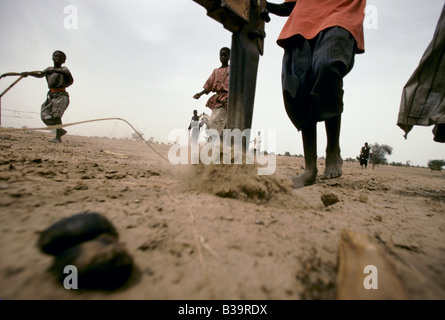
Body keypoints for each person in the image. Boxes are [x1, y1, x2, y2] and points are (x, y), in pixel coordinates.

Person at [266, 1, 366, 188]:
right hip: (300, 26)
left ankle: (333, 148)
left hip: (340, 16)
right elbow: (288, 6)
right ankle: (310, 168)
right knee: (297, 87)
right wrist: (264, 4)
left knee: (327, 65)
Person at [22, 50, 74, 143]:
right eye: (56, 56)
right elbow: (40, 75)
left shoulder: (64, 69)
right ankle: (60, 130)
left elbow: (69, 78)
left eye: (61, 57)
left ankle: (58, 137)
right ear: (52, 57)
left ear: (64, 61)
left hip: (61, 95)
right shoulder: (48, 69)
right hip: (51, 96)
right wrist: (29, 73)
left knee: (57, 116)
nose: (58, 58)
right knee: (44, 114)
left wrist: (53, 70)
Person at [193, 47, 230, 139]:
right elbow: (209, 85)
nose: (223, 57)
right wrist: (200, 94)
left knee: (216, 121)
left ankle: (215, 141)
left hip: (227, 99)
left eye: (225, 55)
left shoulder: (232, 70)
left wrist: (229, 97)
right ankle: (215, 142)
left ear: (229, 57)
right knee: (213, 121)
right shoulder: (215, 71)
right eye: (221, 55)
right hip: (217, 100)